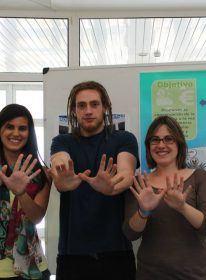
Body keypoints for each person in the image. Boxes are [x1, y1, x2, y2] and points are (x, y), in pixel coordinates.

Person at [50, 81, 140, 280]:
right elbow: (60, 162)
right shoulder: (61, 141)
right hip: (72, 256)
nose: (88, 111)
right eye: (81, 105)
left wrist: (112, 186)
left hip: (117, 254)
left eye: (94, 104)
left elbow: (126, 173)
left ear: (105, 107)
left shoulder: (124, 139)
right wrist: (62, 179)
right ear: (73, 110)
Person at [123, 115, 206, 280]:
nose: (161, 145)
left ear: (179, 144)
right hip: (150, 275)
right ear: (148, 146)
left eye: (169, 139)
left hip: (195, 275)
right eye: (155, 140)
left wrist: (183, 207)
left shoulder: (199, 177)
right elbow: (130, 234)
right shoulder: (140, 183)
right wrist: (144, 211)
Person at [0, 104, 51, 280]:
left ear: (29, 133)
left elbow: (36, 217)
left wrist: (21, 192)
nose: (16, 133)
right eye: (9, 127)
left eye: (22, 128)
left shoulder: (41, 172)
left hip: (32, 269)